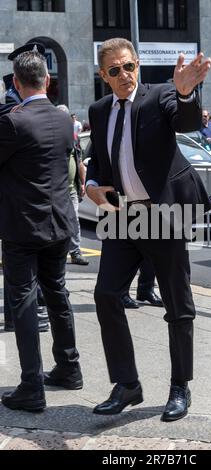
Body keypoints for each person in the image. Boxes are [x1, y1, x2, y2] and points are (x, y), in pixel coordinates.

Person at [86, 38, 211, 422]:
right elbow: (100, 159)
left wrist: (187, 93)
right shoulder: (99, 110)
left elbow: (187, 120)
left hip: (164, 211)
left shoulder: (160, 96)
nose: (124, 75)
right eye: (115, 70)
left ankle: (179, 386)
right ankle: (127, 385)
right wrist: (91, 184)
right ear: (102, 76)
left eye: (129, 66)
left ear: (137, 65)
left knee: (177, 303)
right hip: (122, 214)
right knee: (107, 293)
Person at [0, 50, 82, 412]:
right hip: (59, 224)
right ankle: (69, 367)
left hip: (22, 227)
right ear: (47, 80)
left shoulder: (14, 122)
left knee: (24, 303)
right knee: (57, 293)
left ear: (17, 83)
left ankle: (32, 385)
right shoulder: (65, 121)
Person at [1, 43, 50, 333]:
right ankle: (16, 316)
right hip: (16, 201)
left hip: (31, 204)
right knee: (17, 269)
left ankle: (29, 309)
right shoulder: (11, 103)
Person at [57, 105, 89, 266]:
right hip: (55, 191)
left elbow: (79, 162)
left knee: (74, 220)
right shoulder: (51, 136)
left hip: (71, 189)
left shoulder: (74, 137)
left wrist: (82, 183)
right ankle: (57, 253)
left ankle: (75, 251)